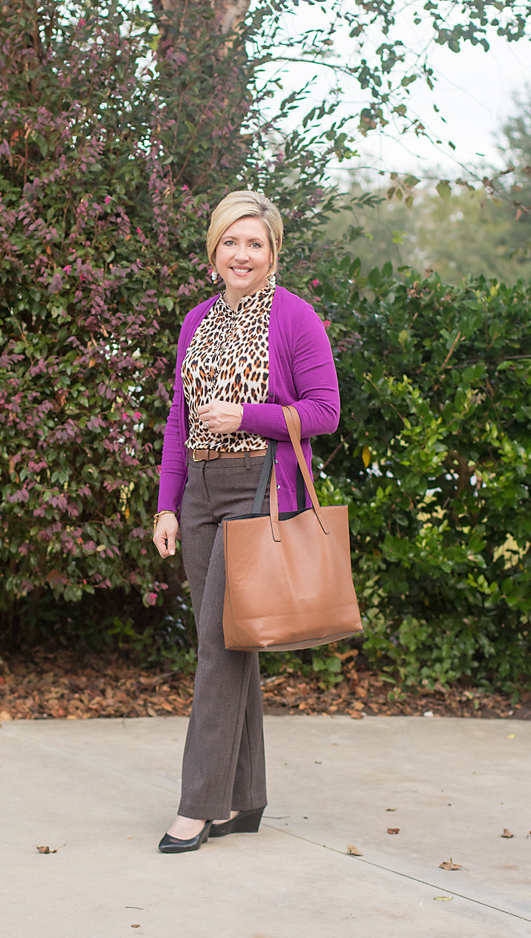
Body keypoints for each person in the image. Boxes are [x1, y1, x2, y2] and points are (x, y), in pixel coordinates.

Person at [152, 190, 340, 853]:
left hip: (257, 488)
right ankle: (246, 798)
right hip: (200, 494)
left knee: (218, 645)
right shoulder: (196, 321)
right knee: (235, 640)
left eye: (254, 243)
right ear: (214, 251)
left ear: (273, 252)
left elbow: (324, 410)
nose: (242, 254)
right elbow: (179, 419)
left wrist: (247, 416)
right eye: (230, 241)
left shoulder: (294, 317)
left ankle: (199, 805)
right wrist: (168, 503)